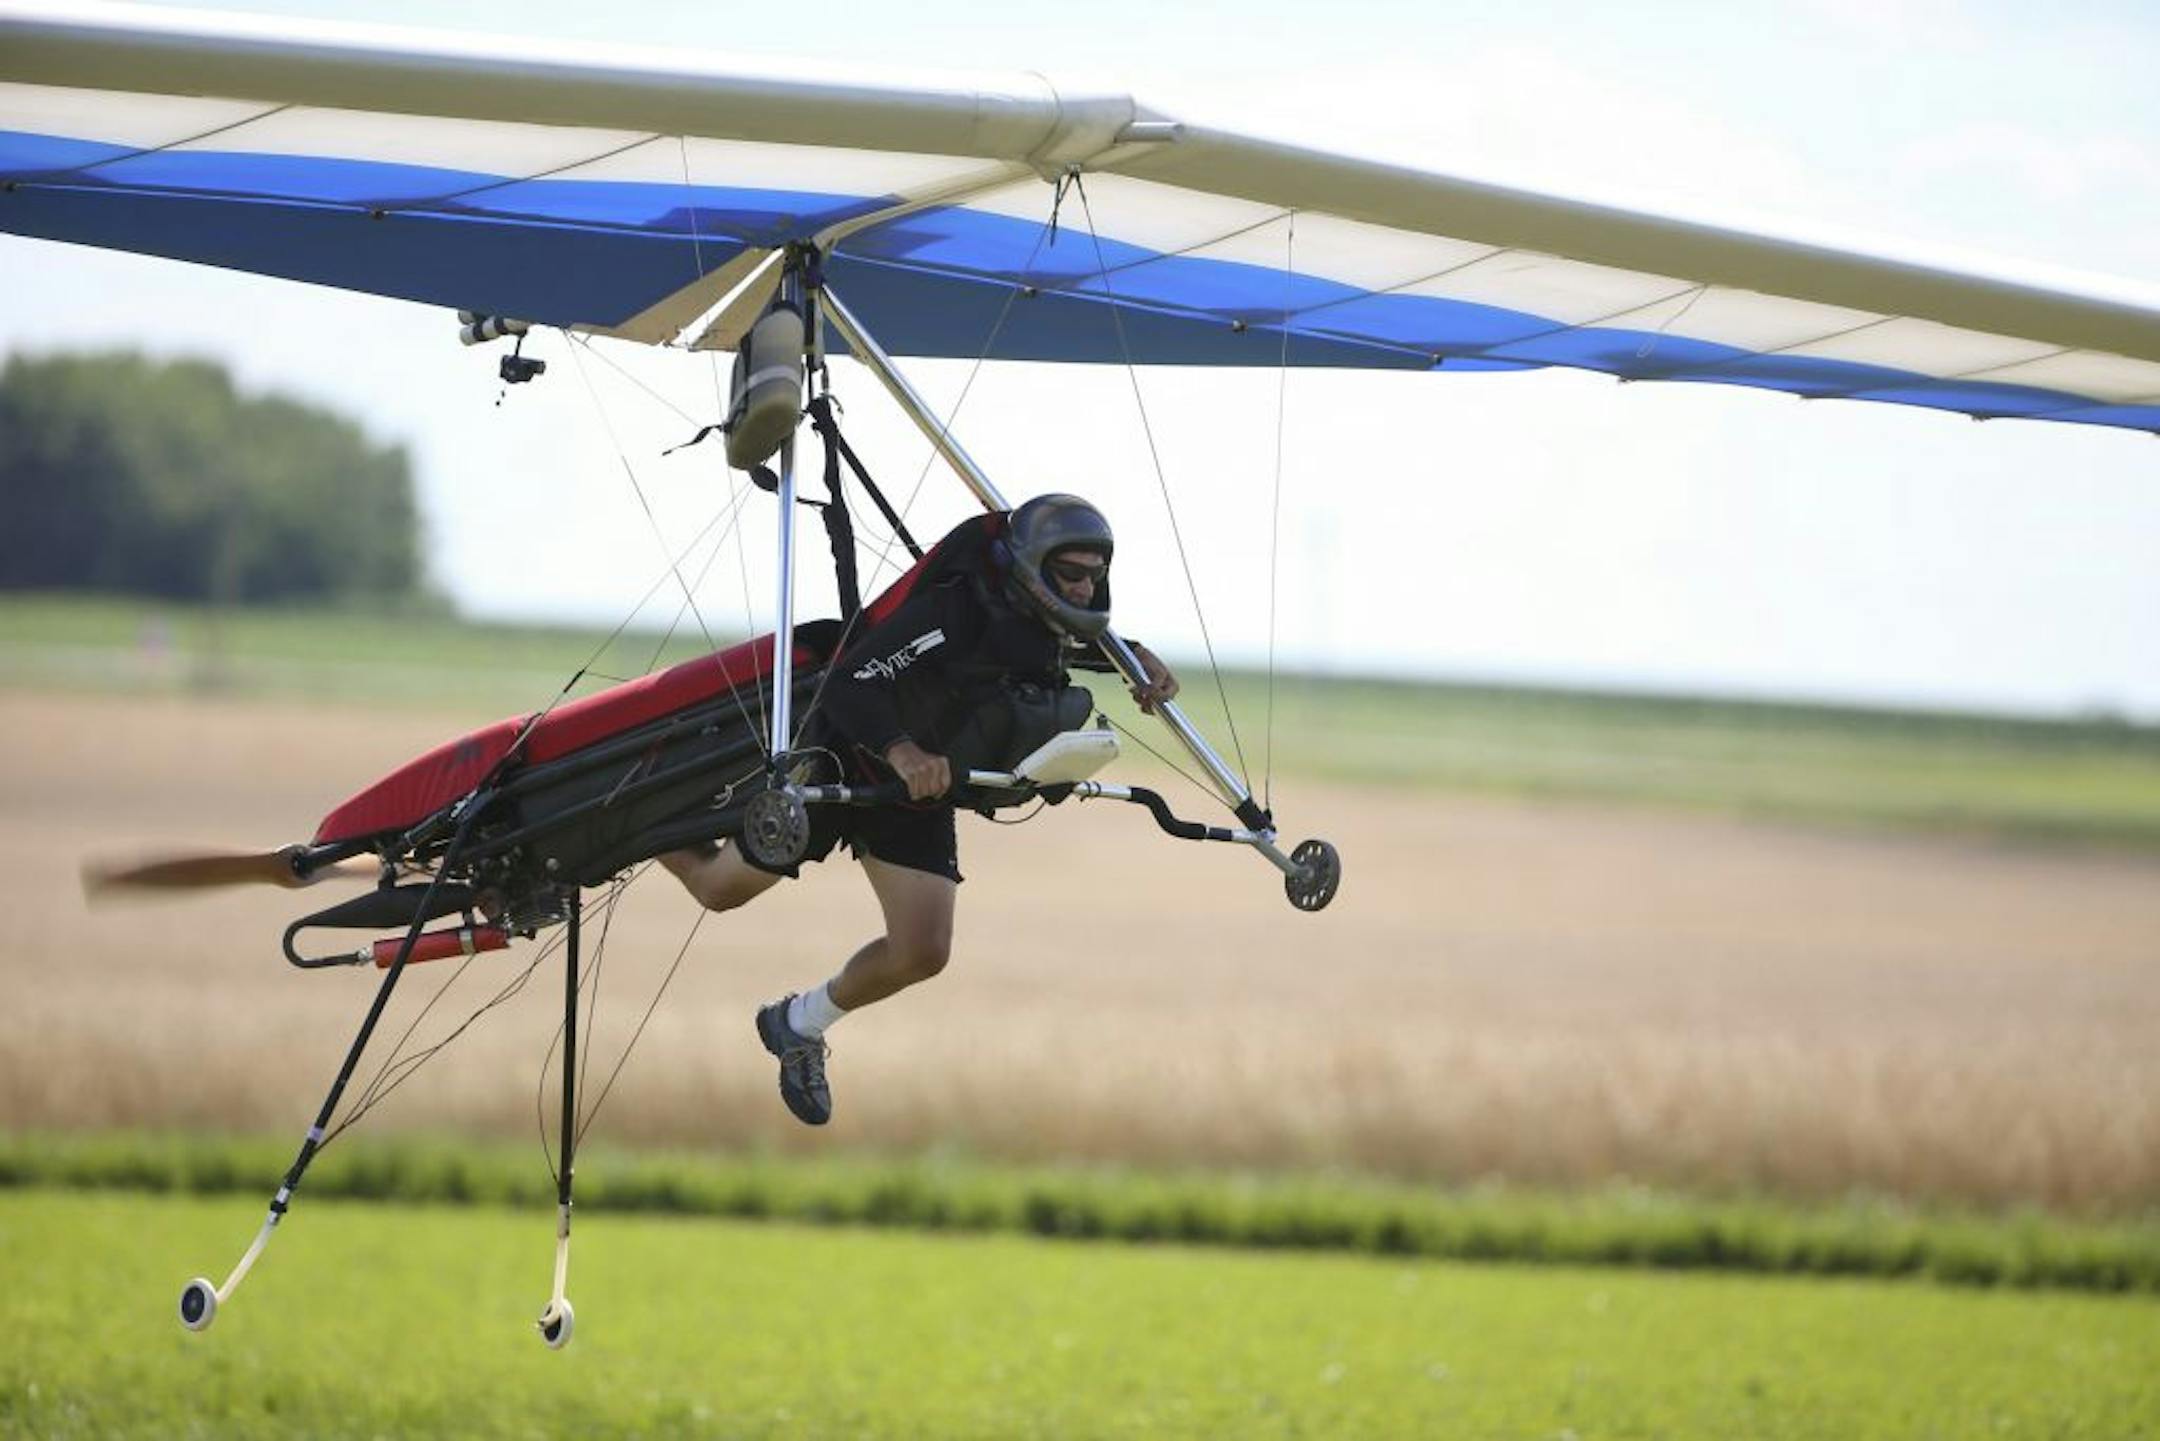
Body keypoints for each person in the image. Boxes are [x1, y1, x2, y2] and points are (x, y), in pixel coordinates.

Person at [659, 494, 1178, 1126]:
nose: (1085, 586)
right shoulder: (957, 610)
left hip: (917, 790)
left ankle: (798, 1025)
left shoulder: (1049, 621)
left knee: (923, 949)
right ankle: (639, 823)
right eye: (1070, 573)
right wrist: (899, 749)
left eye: (1095, 573)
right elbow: (851, 680)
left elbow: (1054, 645)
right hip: (844, 758)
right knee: (720, 889)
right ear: (1033, 567)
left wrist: (1137, 657)